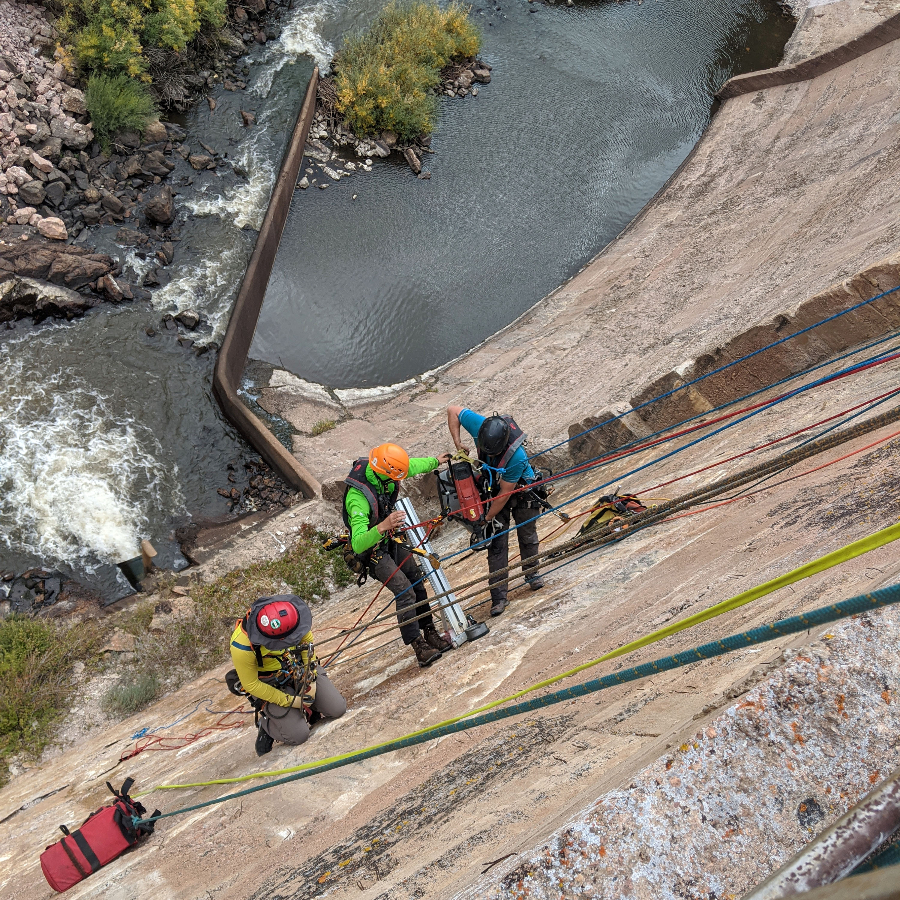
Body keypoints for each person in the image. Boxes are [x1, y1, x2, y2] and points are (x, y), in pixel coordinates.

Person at [343, 442, 452, 668]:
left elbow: (409, 466)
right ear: (384, 475)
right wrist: (383, 526)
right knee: (404, 590)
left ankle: (429, 630)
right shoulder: (358, 498)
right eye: (394, 477)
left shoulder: (385, 471)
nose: (398, 480)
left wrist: (435, 460)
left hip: (389, 535)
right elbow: (357, 543)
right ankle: (418, 646)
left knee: (417, 579)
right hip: (372, 550)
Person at [447, 406, 544, 617]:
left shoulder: (517, 455)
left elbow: (504, 494)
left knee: (527, 533)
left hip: (520, 489)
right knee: (497, 544)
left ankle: (532, 573)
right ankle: (499, 597)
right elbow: (453, 410)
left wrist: (487, 518)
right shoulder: (480, 425)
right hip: (491, 487)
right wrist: (457, 441)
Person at [229, 594, 347, 756]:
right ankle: (268, 726)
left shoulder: (293, 620)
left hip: (297, 667)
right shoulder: (242, 646)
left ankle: (311, 707)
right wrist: (289, 701)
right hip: (271, 682)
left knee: (337, 709)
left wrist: (310, 679)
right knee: (299, 735)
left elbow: (307, 649)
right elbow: (251, 685)